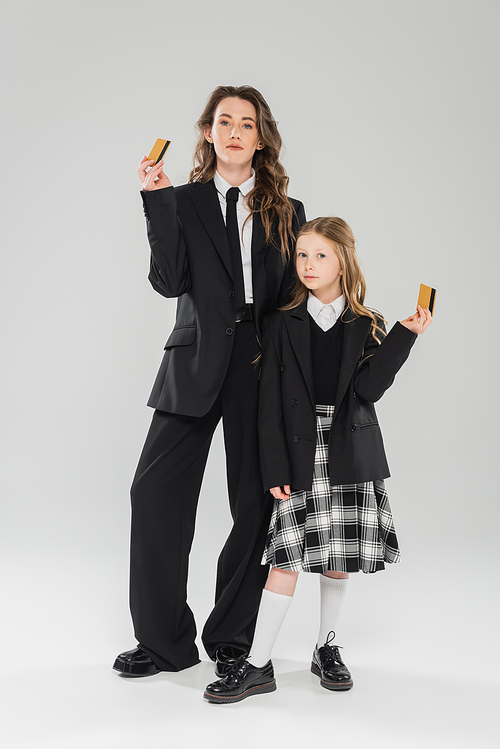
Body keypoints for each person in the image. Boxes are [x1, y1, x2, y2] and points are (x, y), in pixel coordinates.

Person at [113, 86, 306, 677]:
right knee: (154, 492)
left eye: (247, 123)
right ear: (207, 132)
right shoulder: (185, 200)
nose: (234, 132)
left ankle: (231, 636)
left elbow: (293, 297)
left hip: (258, 364)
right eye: (224, 121)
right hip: (193, 360)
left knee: (255, 502)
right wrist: (156, 200)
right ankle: (162, 642)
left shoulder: (287, 211)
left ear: (261, 137)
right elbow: (169, 282)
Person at [204, 216, 432, 703]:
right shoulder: (281, 322)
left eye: (320, 256)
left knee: (337, 560)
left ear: (343, 262)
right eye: (302, 255)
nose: (308, 265)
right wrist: (275, 468)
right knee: (284, 558)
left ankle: (326, 648)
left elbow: (369, 391)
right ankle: (257, 664)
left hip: (349, 449)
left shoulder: (367, 323)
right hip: (298, 450)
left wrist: (405, 336)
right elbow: (269, 405)